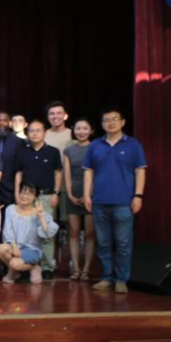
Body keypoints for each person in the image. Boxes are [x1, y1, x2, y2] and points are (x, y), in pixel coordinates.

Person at [83, 107, 147, 294]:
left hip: (124, 203)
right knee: (103, 243)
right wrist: (87, 195)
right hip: (99, 202)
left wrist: (138, 195)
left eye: (114, 119)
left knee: (123, 243)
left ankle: (121, 280)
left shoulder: (133, 145)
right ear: (102, 124)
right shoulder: (95, 145)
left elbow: (140, 171)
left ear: (122, 122)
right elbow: (89, 171)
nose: (110, 123)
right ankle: (106, 277)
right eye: (106, 120)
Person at [14, 119, 63, 273]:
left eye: (38, 130)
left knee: (46, 232)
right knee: (27, 232)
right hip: (26, 197)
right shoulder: (23, 152)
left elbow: (58, 173)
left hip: (46, 196)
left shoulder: (53, 152)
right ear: (27, 133)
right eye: (31, 131)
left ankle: (47, 267)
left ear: (44, 132)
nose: (35, 134)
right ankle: (29, 265)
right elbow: (18, 174)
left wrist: (56, 193)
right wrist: (17, 194)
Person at [0, 185, 60, 284]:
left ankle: (34, 267)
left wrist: (41, 217)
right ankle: (14, 272)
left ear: (35, 197)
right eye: (23, 193)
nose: (25, 196)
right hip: (15, 246)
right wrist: (14, 247)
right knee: (2, 249)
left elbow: (47, 233)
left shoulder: (39, 213)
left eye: (29, 194)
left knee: (14, 263)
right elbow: (8, 231)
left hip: (32, 249)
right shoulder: (11, 209)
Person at [62, 118, 96, 281]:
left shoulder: (96, 147)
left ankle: (86, 269)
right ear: (73, 131)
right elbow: (67, 174)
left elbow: (97, 172)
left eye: (85, 128)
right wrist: (69, 194)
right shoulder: (68, 150)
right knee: (73, 232)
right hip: (73, 192)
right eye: (78, 128)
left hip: (92, 193)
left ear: (91, 131)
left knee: (90, 233)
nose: (81, 132)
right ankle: (76, 268)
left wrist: (89, 194)